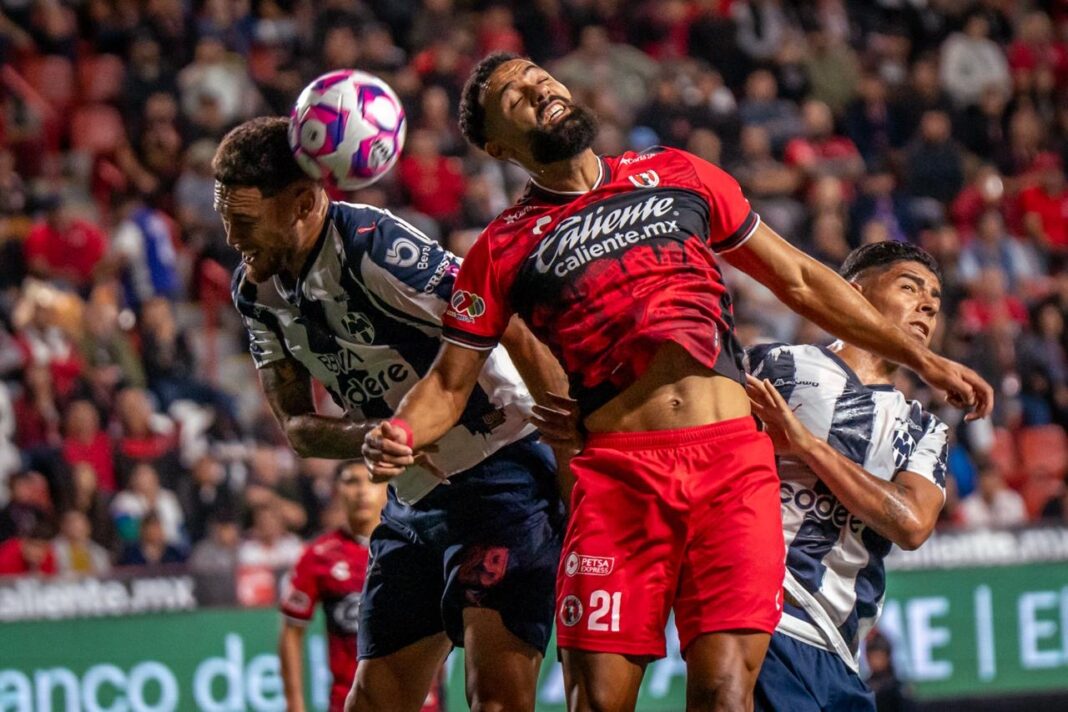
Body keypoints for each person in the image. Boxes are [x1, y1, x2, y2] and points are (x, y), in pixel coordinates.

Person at [363, 53, 992, 712]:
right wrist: (401, 431)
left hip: (730, 468)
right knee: (598, 702)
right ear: (496, 145)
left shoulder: (677, 172)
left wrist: (923, 361)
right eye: (511, 95)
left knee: (725, 695)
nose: (535, 86)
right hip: (617, 481)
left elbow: (800, 279)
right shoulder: (501, 248)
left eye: (536, 75)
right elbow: (448, 383)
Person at [212, 116, 568, 712]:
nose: (230, 237)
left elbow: (516, 327)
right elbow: (298, 429)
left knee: (497, 701)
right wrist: (370, 436)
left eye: (243, 220)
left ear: (302, 202)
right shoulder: (256, 293)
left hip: (502, 480)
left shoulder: (376, 248)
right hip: (413, 501)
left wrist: (572, 469)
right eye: (226, 217)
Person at [744, 242, 950, 711]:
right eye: (909, 286)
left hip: (839, 652)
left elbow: (913, 523)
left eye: (935, 302)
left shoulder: (923, 427)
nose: (926, 305)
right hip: (764, 619)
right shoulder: (775, 366)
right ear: (853, 291)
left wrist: (807, 445)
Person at [279, 461, 439, 712]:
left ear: (388, 485)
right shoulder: (318, 555)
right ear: (336, 491)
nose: (362, 491)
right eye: (351, 481)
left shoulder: (417, 545)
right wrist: (294, 705)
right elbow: (291, 631)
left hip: (420, 703)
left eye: (371, 480)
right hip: (351, 701)